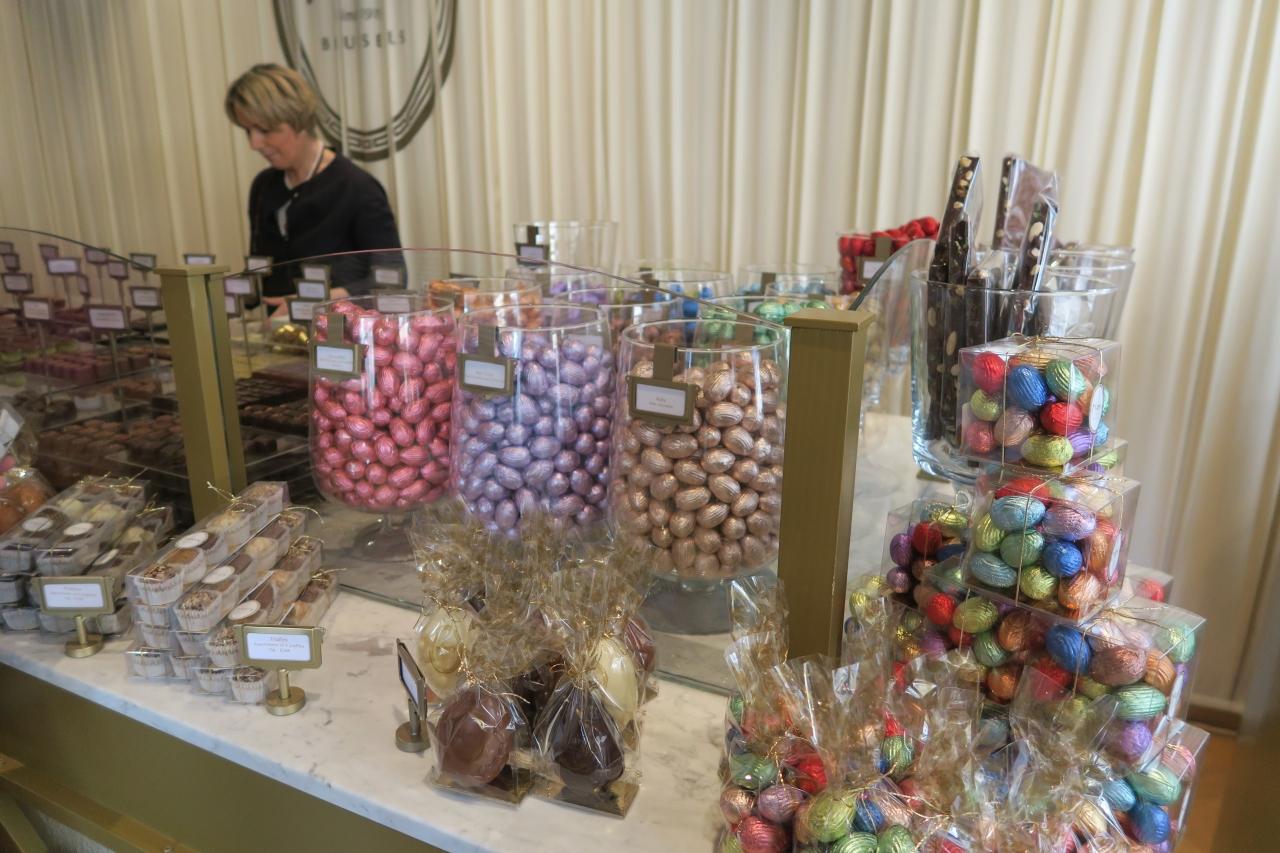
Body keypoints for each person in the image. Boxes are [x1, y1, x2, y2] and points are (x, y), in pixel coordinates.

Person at [224, 63, 403, 310]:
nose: (254, 143)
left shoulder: (357, 187)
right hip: (277, 332)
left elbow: (392, 280)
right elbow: (262, 268)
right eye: (247, 130)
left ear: (298, 121)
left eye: (265, 130)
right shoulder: (263, 186)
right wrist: (226, 292)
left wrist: (317, 301)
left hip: (337, 331)